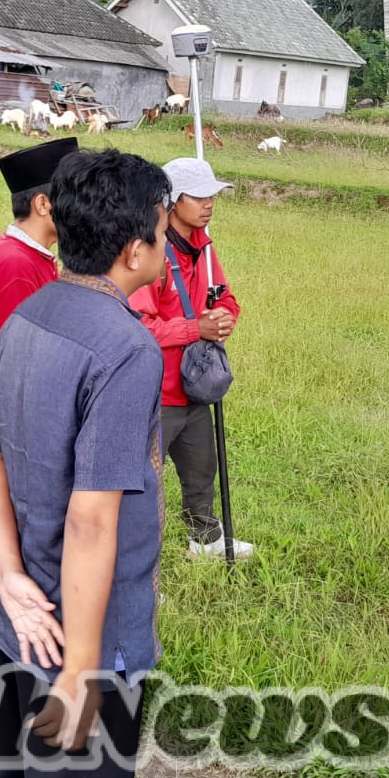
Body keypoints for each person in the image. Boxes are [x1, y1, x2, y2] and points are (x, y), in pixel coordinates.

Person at [0, 147, 170, 778]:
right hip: (86, 642)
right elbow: (92, 520)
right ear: (133, 247)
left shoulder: (32, 312)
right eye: (158, 224)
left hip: (18, 622)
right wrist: (82, 670)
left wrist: (12, 577)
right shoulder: (125, 347)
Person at [0, 137, 79, 707]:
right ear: (45, 205)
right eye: (68, 194)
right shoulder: (15, 267)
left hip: (7, 442)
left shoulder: (30, 260)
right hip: (2, 445)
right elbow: (24, 367)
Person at [128, 157, 251, 559]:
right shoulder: (150, 252)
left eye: (213, 195)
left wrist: (223, 318)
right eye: (199, 195)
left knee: (202, 468)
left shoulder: (205, 249)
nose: (209, 203)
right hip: (156, 391)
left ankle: (206, 540)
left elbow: (228, 298)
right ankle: (136, 560)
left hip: (195, 385)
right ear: (173, 201)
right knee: (143, 480)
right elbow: (139, 325)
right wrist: (195, 329)